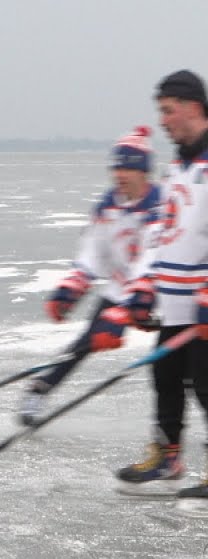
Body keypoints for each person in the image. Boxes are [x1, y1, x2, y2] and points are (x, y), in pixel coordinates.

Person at [90, 70, 208, 515]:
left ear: (193, 107)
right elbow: (162, 234)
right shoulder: (180, 166)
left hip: (203, 304)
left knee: (207, 385)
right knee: (165, 380)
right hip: (178, 305)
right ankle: (168, 458)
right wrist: (142, 295)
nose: (163, 121)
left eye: (168, 111)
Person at [19, 126, 162, 426]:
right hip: (121, 290)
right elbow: (94, 253)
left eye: (129, 168)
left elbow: (154, 258)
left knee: (186, 361)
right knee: (85, 343)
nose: (121, 175)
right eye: (117, 167)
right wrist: (73, 287)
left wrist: (135, 303)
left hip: (163, 293)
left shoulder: (160, 206)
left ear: (144, 172)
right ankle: (40, 389)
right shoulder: (108, 206)